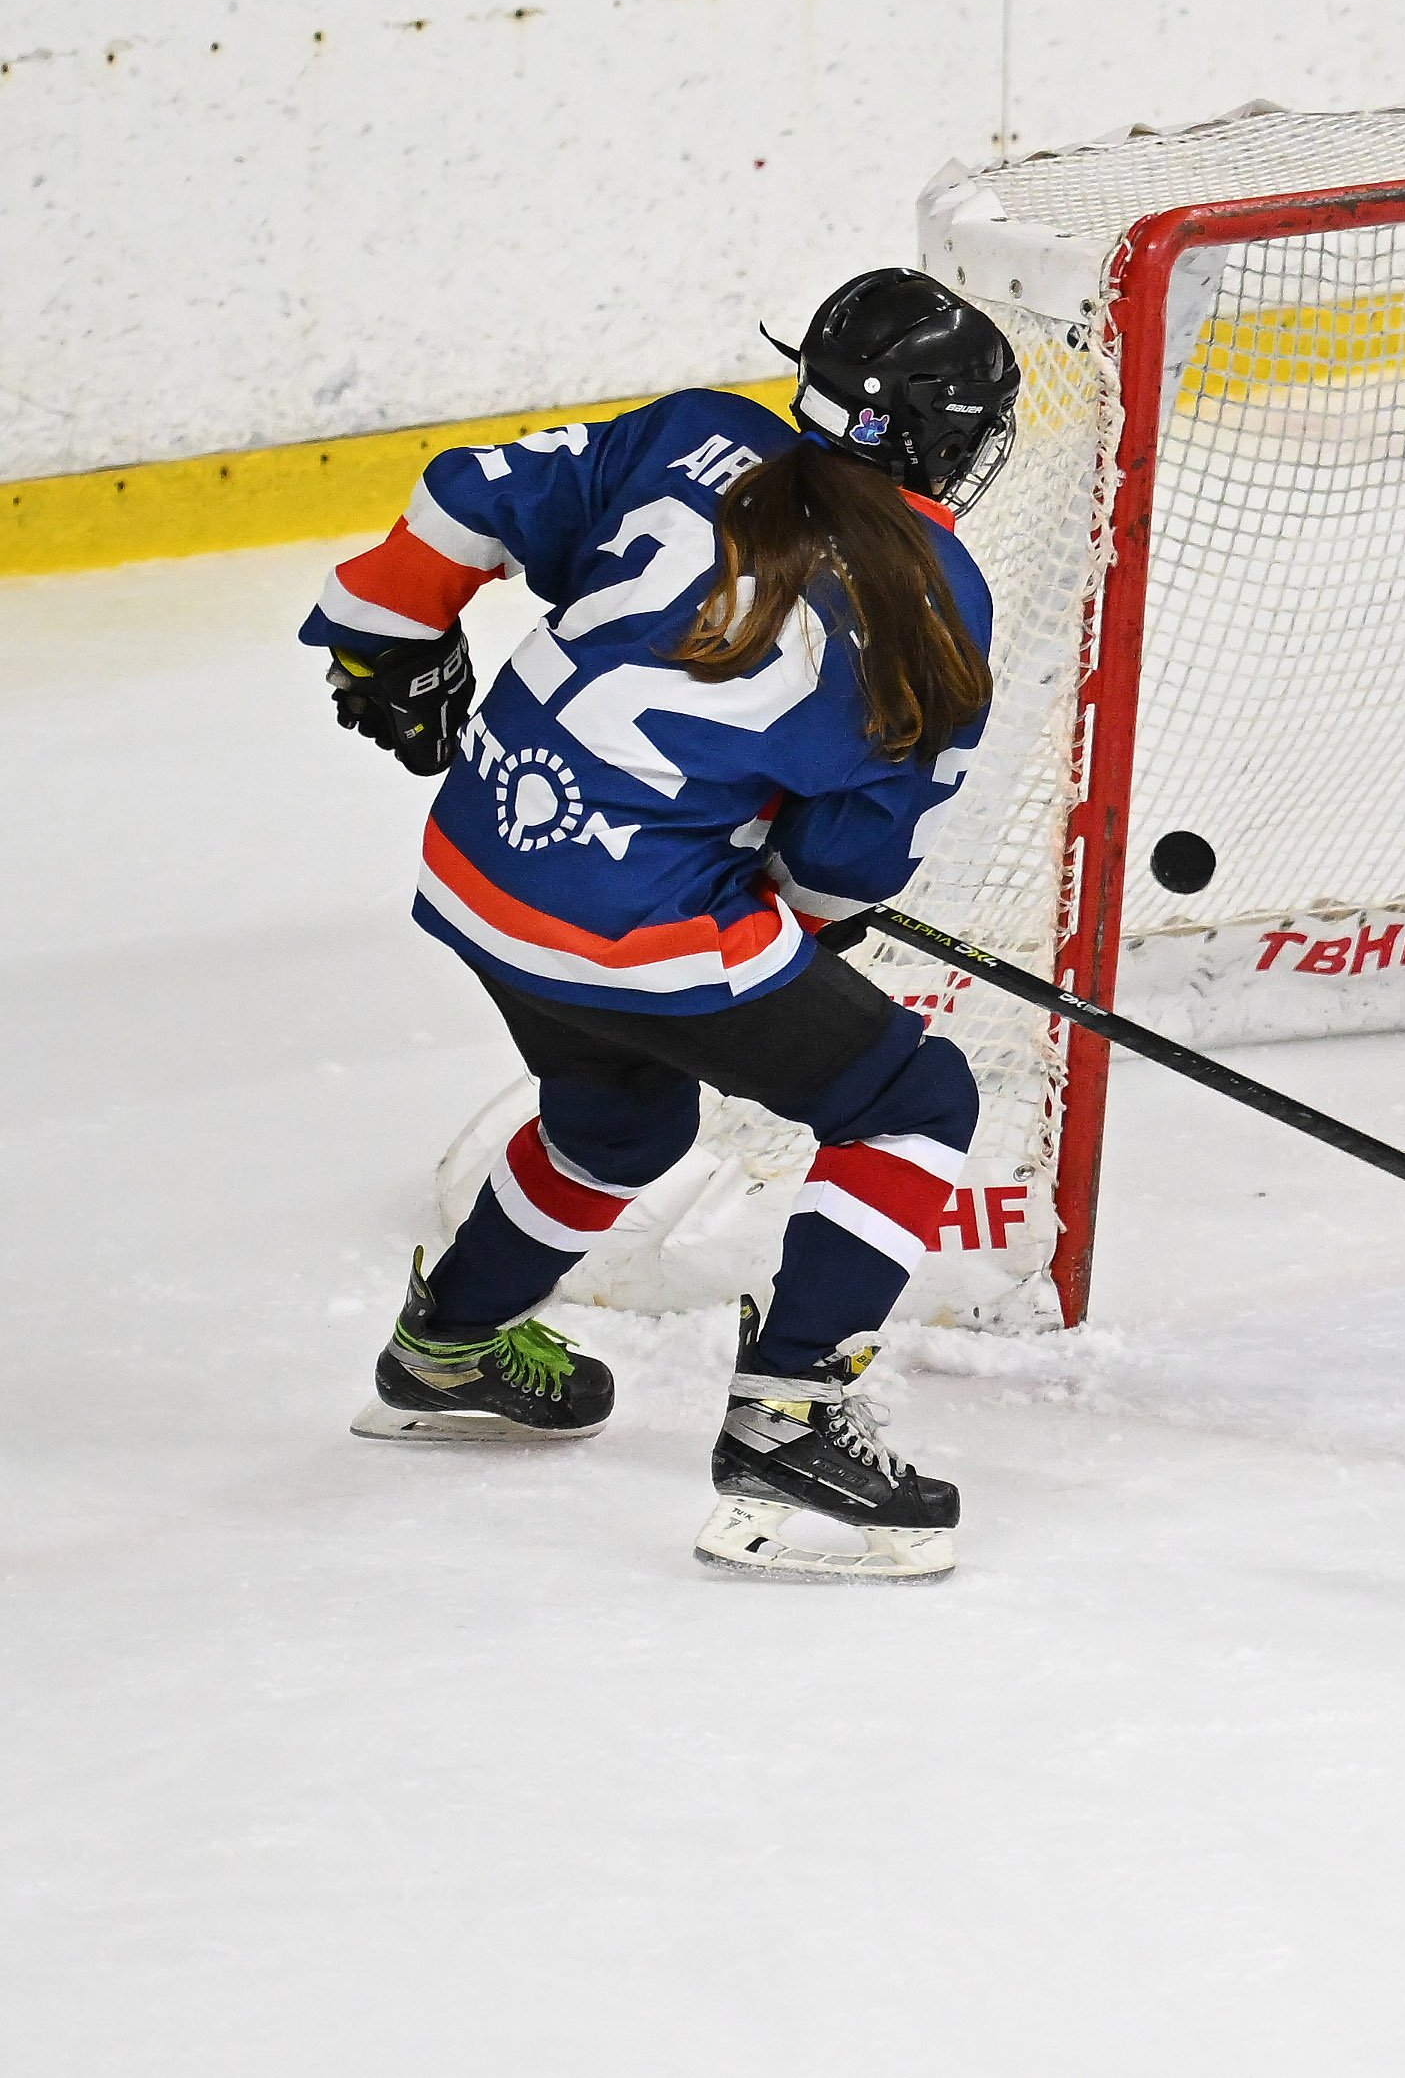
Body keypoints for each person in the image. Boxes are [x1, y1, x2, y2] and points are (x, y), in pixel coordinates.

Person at [307, 270, 1019, 1583]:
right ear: (934, 430)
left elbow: (466, 494)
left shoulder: (700, 429)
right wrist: (797, 919)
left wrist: (383, 640)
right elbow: (839, 874)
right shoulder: (933, 598)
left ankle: (444, 1352)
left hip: (481, 861)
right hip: (625, 921)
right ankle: (790, 1432)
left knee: (623, 1122)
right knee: (910, 1097)